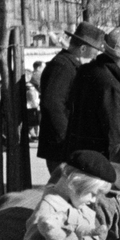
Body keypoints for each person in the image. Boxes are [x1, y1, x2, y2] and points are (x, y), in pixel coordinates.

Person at [38, 22, 105, 173]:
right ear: (83, 48)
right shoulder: (63, 66)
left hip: (66, 143)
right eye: (95, 50)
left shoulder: (69, 64)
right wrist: (67, 137)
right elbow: (53, 104)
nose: (96, 54)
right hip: (62, 145)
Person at [65, 27, 120, 157]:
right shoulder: (112, 84)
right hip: (100, 157)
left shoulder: (85, 70)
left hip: (78, 151)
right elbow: (115, 132)